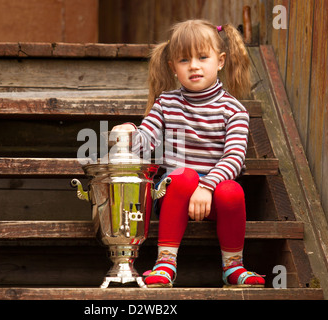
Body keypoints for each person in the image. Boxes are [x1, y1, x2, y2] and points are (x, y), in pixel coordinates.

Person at [112, 19, 265, 288]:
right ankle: (165, 263)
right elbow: (145, 144)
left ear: (220, 61)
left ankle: (233, 266)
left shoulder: (234, 111)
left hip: (212, 195)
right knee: (183, 176)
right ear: (173, 67)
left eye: (202, 57)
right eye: (184, 60)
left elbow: (234, 158)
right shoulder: (166, 104)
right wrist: (130, 132)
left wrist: (207, 187)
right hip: (175, 195)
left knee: (232, 191)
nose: (194, 65)